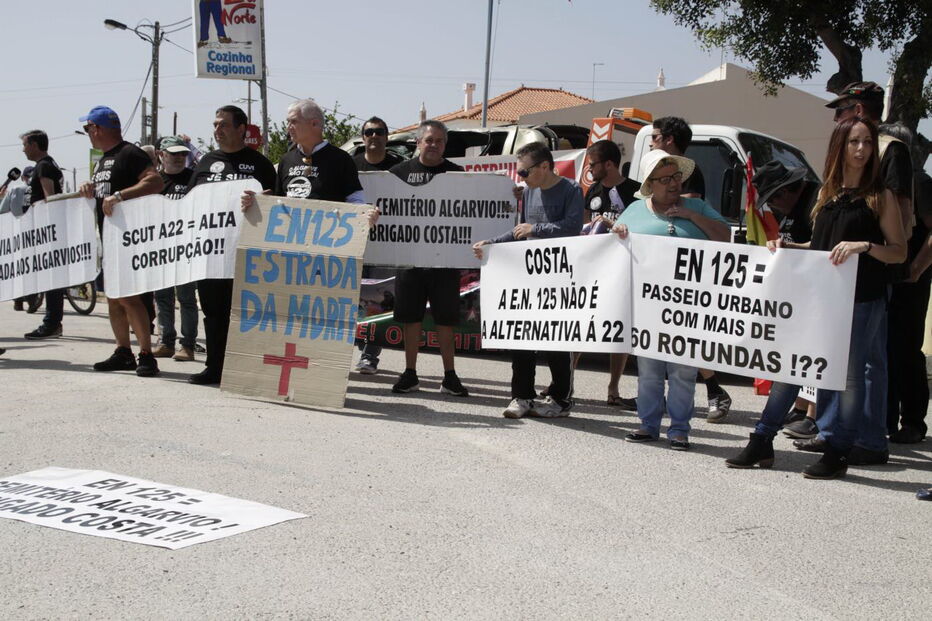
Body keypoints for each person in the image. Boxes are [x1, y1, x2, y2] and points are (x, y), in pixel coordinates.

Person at [728, 117, 906, 476]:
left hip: (861, 298)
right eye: (854, 142)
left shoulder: (880, 195)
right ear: (839, 146)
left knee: (851, 377)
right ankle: (762, 439)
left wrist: (866, 246)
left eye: (868, 143)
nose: (861, 150)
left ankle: (839, 451)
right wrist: (790, 246)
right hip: (819, 297)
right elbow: (822, 246)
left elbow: (899, 251)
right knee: (792, 366)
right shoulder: (827, 193)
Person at [612, 150, 730, 450]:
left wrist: (691, 215)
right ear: (650, 184)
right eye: (665, 179)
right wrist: (617, 232)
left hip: (688, 308)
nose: (674, 183)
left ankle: (679, 429)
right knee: (650, 370)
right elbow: (613, 248)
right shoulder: (635, 211)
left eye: (677, 177)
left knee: (683, 371)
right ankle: (648, 424)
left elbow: (725, 237)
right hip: (649, 307)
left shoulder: (697, 205)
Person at [473, 143, 583, 418]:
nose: (520, 176)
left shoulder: (571, 190)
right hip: (529, 276)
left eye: (524, 171)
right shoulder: (529, 192)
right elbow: (519, 231)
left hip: (560, 276)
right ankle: (522, 396)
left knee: (557, 339)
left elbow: (572, 227)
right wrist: (492, 243)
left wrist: (537, 228)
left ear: (544, 166)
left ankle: (561, 399)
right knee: (521, 335)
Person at [650, 116, 731, 422]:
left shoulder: (688, 173)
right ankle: (658, 396)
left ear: (669, 139)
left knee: (689, 336)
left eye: (656, 136)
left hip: (688, 271)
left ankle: (713, 390)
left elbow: (685, 214)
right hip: (661, 271)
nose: (651, 141)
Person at [188, 105, 276, 385]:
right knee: (213, 313)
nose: (218, 129)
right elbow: (188, 203)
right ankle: (214, 366)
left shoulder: (259, 163)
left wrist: (263, 199)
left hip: (246, 254)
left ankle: (246, 368)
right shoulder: (204, 163)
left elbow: (276, 203)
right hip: (211, 255)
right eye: (215, 124)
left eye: (224, 124)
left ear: (241, 129)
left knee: (244, 313)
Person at [78, 106, 163, 376]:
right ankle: (123, 351)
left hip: (129, 240)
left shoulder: (130, 153)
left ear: (97, 128)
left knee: (129, 297)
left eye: (87, 129)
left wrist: (121, 196)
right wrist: (88, 190)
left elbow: (155, 181)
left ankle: (147, 354)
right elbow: (103, 196)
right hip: (109, 241)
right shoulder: (102, 160)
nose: (87, 134)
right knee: (113, 298)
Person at [387, 120, 469, 397]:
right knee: (412, 319)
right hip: (410, 260)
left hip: (444, 261)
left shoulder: (458, 175)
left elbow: (479, 207)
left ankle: (450, 376)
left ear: (445, 145)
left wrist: (511, 195)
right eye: (429, 140)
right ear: (418, 142)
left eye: (439, 141)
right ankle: (410, 374)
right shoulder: (397, 174)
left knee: (446, 321)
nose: (434, 145)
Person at [880, 124, 930, 445]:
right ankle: (884, 419)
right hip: (889, 273)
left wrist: (915, 268)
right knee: (885, 349)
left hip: (911, 278)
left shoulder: (920, 184)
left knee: (906, 350)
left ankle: (913, 420)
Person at [583, 139, 640, 409]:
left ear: (609, 164)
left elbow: (641, 230)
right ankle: (565, 382)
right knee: (580, 324)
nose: (589, 169)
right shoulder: (592, 191)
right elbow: (581, 229)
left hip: (624, 270)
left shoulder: (635, 192)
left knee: (620, 330)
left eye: (593, 164)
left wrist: (613, 224)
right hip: (593, 269)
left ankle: (613, 388)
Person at [352, 116, 403, 375]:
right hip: (355, 241)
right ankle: (347, 349)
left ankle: (370, 355)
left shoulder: (400, 167)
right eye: (369, 132)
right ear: (363, 137)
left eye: (379, 132)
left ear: (387, 136)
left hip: (386, 246)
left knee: (378, 301)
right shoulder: (351, 165)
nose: (374, 136)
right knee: (350, 298)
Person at [151, 136, 199, 362]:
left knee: (187, 298)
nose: (180, 158)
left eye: (183, 153)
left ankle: (187, 345)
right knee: (162, 297)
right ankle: (165, 341)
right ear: (161, 155)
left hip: (187, 249)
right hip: (161, 250)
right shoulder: (154, 182)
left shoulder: (194, 179)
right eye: (174, 154)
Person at [17, 130, 64, 340]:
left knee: (50, 280)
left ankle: (52, 323)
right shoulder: (46, 164)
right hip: (41, 231)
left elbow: (50, 198)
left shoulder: (44, 166)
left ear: (35, 145)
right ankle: (52, 321)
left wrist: (46, 229)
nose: (23, 149)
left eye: (25, 144)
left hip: (46, 232)